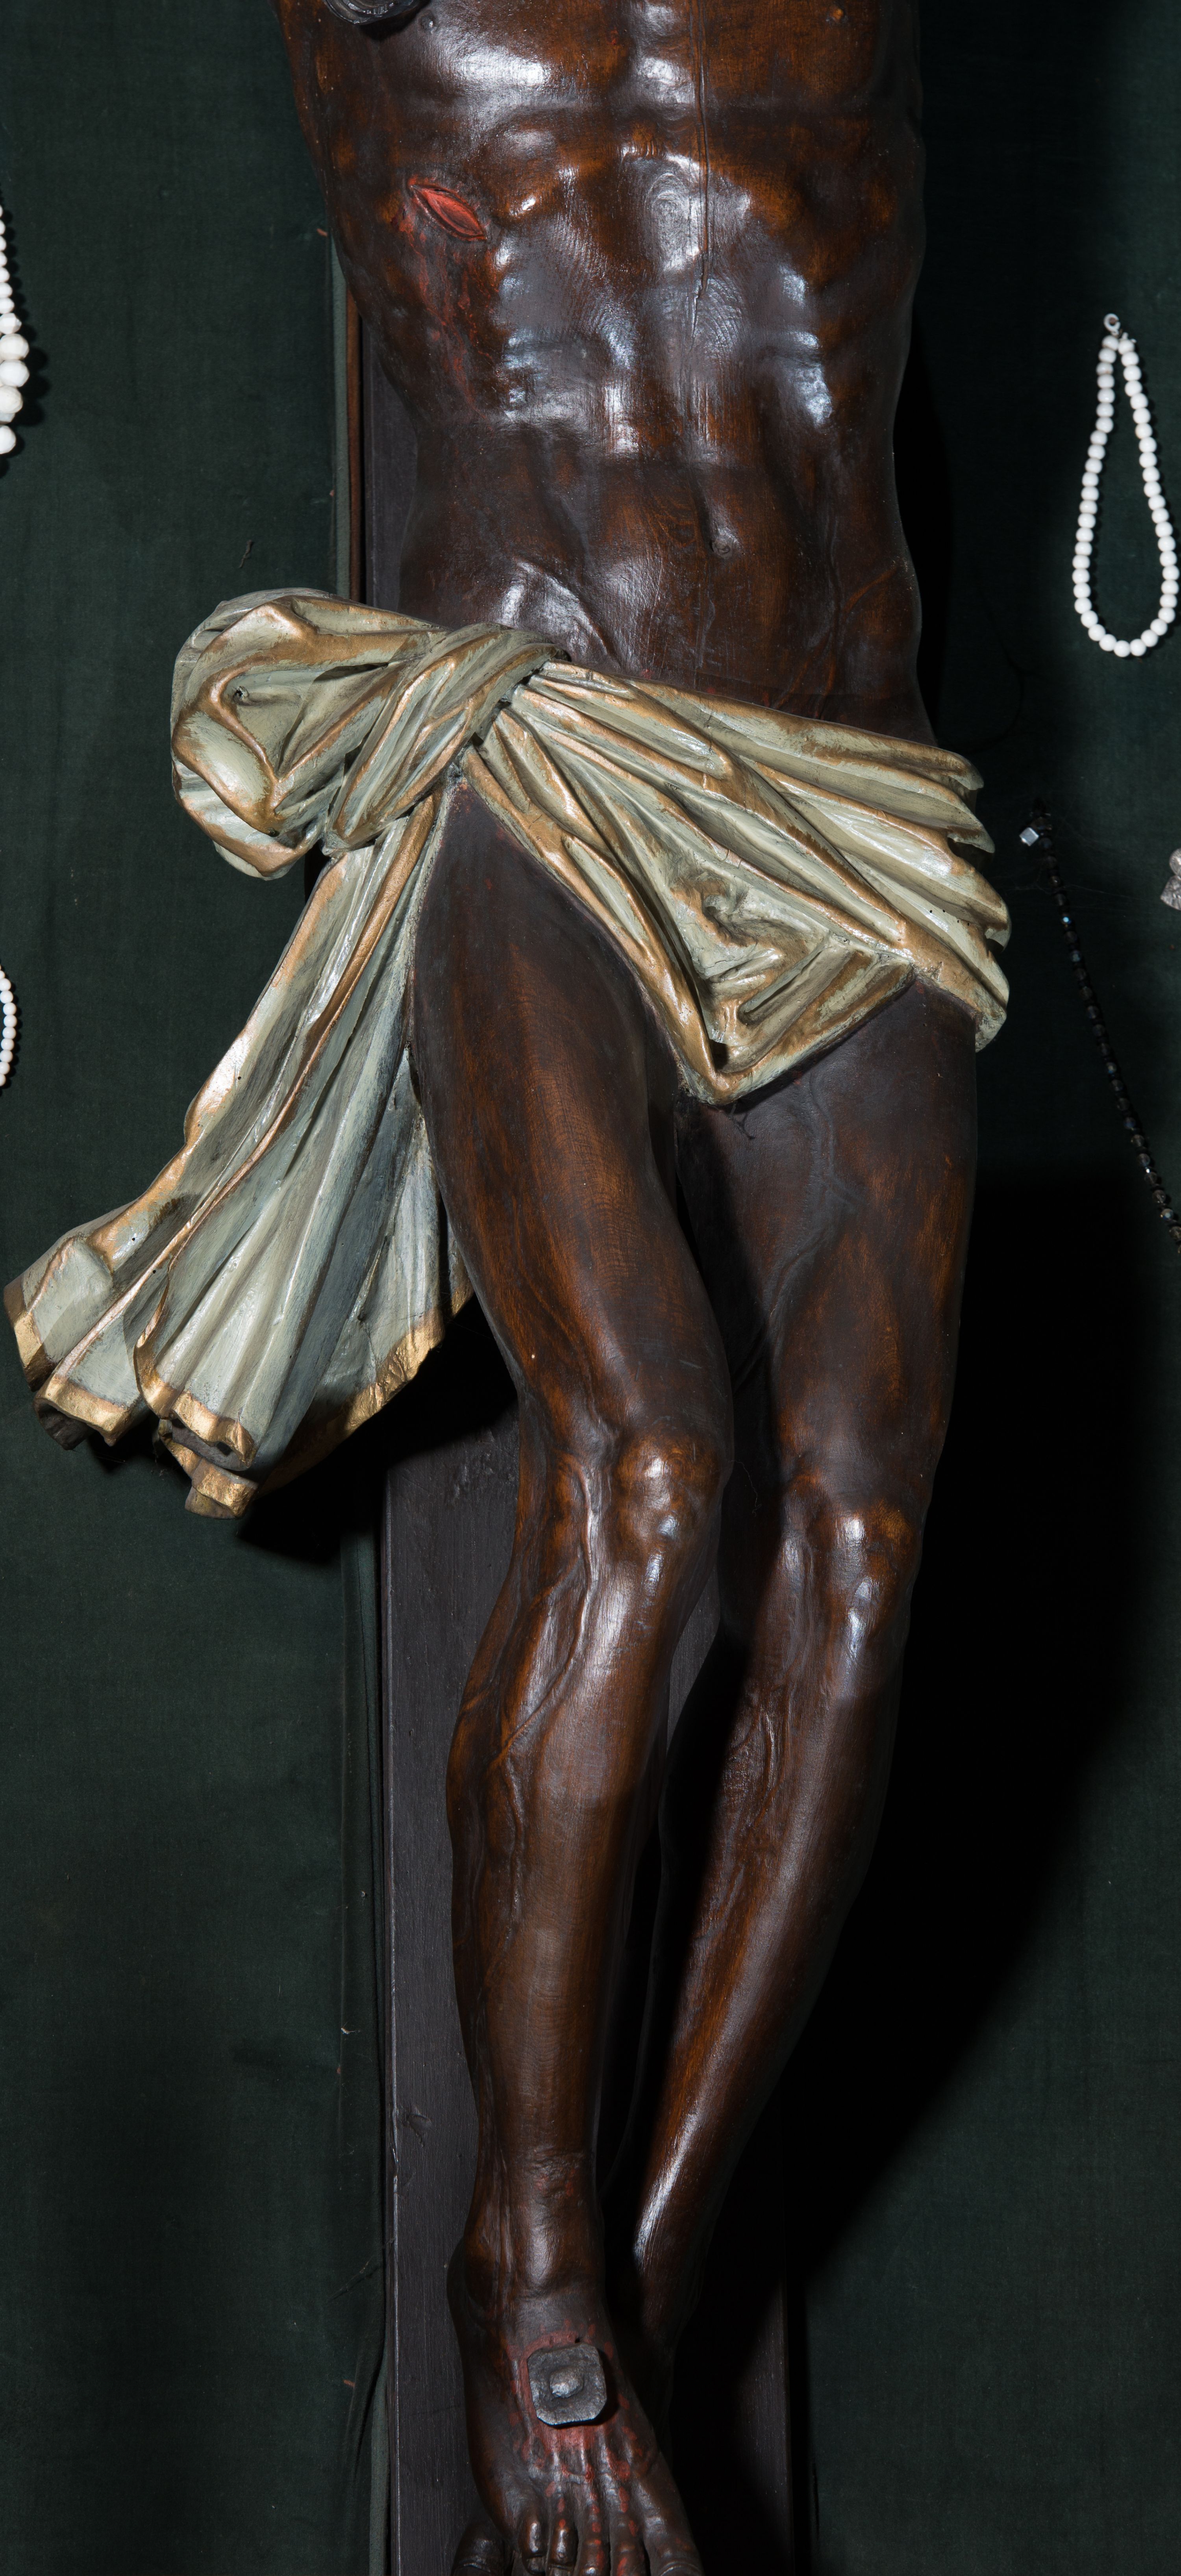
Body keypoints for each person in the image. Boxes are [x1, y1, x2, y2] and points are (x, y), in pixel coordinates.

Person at [7, 5, 1009, 2568]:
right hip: (543, 750)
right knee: (649, 1465)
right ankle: (531, 2273)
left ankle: (610, 2311)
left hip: (851, 774)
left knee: (864, 1549)